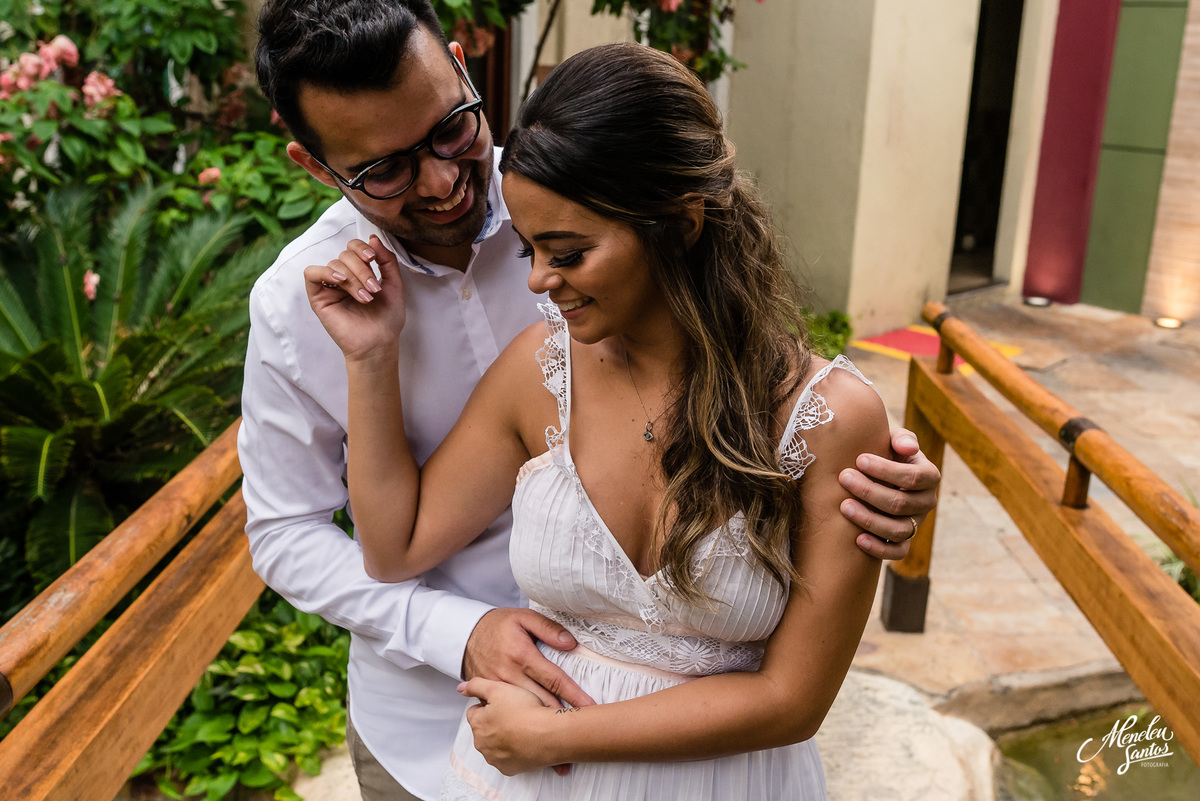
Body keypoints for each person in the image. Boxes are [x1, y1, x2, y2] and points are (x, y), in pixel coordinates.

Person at [242, 2, 941, 799]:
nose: (440, 180)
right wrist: (372, 359)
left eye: (449, 131)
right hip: (437, 724)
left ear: (465, 72)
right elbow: (303, 533)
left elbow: (796, 673)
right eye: (387, 170)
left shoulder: (568, 180)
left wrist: (875, 472)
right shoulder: (309, 307)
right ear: (316, 164)